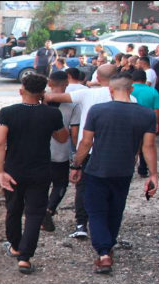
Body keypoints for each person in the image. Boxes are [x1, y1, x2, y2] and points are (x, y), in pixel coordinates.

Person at [70, 73, 158, 274]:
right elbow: (149, 146)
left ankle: (103, 253)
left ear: (110, 90)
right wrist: (153, 174)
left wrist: (76, 165)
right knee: (116, 210)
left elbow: (86, 142)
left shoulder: (98, 110)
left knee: (96, 211)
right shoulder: (147, 114)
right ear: (132, 90)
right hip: (124, 170)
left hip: (97, 169)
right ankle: (108, 245)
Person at [0, 74, 69, 273]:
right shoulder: (51, 114)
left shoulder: (7, 113)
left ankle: (16, 247)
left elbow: (0, 142)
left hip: (13, 170)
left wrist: (0, 171)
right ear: (43, 93)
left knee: (14, 210)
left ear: (21, 91)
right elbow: (63, 138)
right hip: (41, 171)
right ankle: (25, 258)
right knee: (35, 214)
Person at [45, 64, 123, 239]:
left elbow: (52, 96)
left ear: (98, 78)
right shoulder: (129, 98)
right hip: (116, 151)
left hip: (87, 149)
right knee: (112, 188)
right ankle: (107, 226)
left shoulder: (86, 94)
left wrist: (76, 161)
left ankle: (81, 224)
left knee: (83, 186)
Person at [41, 71, 80, 233]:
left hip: (39, 152)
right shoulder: (73, 105)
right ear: (67, 84)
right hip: (60, 153)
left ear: (49, 83)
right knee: (60, 184)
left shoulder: (38, 101)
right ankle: (49, 210)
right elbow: (75, 133)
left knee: (41, 184)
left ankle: (39, 211)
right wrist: (76, 154)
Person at [130, 69, 159, 177]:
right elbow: (157, 109)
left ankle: (129, 169)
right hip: (147, 121)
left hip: (130, 120)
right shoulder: (153, 91)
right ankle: (143, 170)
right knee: (146, 145)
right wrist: (157, 123)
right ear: (145, 79)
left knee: (132, 146)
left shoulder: (129, 90)